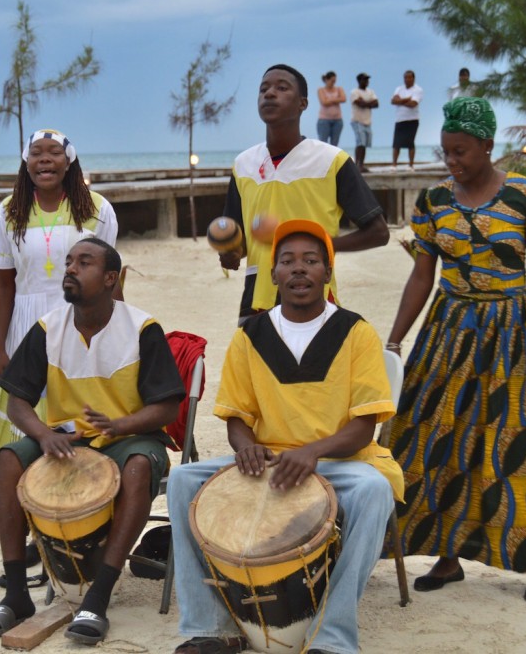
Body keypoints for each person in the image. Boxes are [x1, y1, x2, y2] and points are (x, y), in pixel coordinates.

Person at [385, 97, 526, 605]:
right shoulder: (433, 201)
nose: (452, 161)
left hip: (511, 331)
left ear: (487, 146)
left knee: (518, 441)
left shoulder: (525, 197)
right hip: (448, 327)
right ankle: (447, 557)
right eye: (447, 151)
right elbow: (421, 276)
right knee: (436, 436)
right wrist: (394, 338)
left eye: (461, 152)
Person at [169, 219, 402, 654]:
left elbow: (363, 427)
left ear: (328, 273)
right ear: (273, 274)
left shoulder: (357, 332)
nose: (299, 269)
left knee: (375, 491)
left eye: (312, 261)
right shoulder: (250, 336)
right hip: (271, 465)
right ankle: (212, 627)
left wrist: (314, 451)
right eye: (288, 261)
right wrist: (248, 448)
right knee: (183, 482)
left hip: (343, 463)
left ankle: (332, 637)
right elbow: (237, 417)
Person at [0, 237, 184, 645]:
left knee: (139, 467)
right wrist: (43, 434)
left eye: (83, 263)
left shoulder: (142, 329)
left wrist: (120, 425)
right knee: (10, 458)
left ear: (109, 279)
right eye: (68, 262)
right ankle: (16, 594)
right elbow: (18, 403)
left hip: (129, 438)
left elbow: (167, 409)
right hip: (67, 440)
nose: (70, 269)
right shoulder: (48, 328)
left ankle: (98, 597)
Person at [0, 129, 119, 471]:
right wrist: (0, 349)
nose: (45, 159)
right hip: (26, 326)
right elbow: (4, 285)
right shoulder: (7, 213)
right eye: (36, 153)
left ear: (69, 160)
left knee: (80, 425)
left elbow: (112, 282)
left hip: (82, 322)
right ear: (25, 162)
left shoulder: (98, 209)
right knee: (26, 431)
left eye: (54, 152)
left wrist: (118, 335)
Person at [219, 63, 389, 324]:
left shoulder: (332, 161)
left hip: (313, 297)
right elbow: (240, 244)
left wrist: (323, 246)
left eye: (282, 88)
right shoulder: (243, 165)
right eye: (263, 89)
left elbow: (378, 232)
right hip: (256, 300)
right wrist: (231, 253)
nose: (270, 93)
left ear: (303, 103)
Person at [391, 70, 424, 168]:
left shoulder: (418, 90)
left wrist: (400, 101)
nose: (407, 79)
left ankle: (411, 165)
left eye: (409, 77)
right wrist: (406, 99)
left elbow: (413, 104)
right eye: (405, 77)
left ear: (413, 78)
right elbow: (393, 101)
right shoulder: (399, 89)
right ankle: (394, 165)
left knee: (410, 143)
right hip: (400, 119)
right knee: (396, 143)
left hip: (412, 119)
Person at [350, 72, 379, 172]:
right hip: (357, 121)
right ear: (359, 81)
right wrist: (369, 103)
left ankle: (361, 165)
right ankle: (357, 165)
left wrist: (365, 102)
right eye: (364, 79)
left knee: (365, 144)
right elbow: (359, 103)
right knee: (360, 143)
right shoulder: (355, 92)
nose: (367, 81)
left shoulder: (370, 91)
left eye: (367, 79)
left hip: (367, 121)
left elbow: (376, 104)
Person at [316, 71, 346, 146]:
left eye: (334, 81)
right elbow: (324, 102)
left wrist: (330, 100)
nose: (333, 83)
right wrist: (336, 99)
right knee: (323, 143)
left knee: (335, 144)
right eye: (332, 81)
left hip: (337, 120)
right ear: (326, 79)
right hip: (324, 120)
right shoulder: (321, 90)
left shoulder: (339, 89)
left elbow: (343, 99)